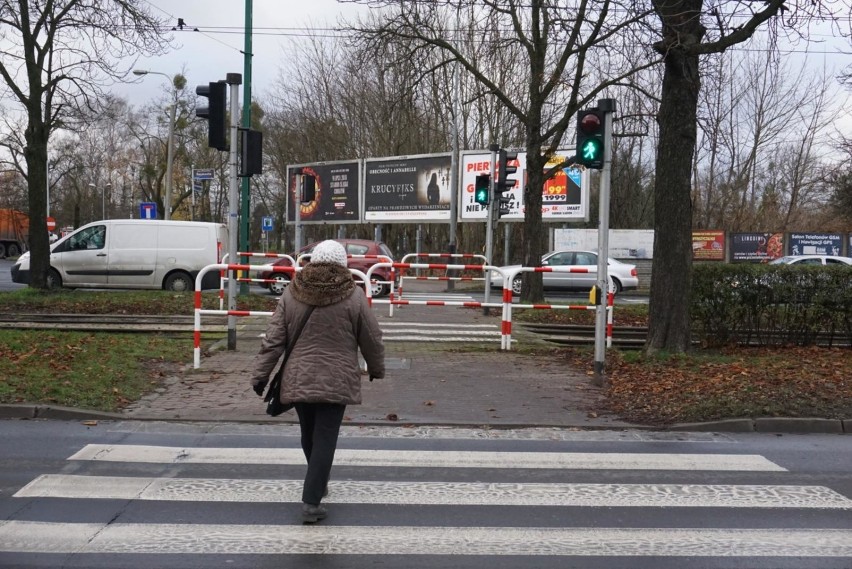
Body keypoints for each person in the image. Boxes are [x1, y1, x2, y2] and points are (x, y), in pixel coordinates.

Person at [250, 239, 385, 524]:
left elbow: (274, 340)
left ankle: (317, 479)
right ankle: (312, 501)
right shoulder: (354, 296)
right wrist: (376, 367)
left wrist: (260, 375)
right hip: (337, 379)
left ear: (312, 261)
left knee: (309, 433)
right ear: (343, 264)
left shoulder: (292, 292)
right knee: (325, 438)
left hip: (298, 378)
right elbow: (371, 337)